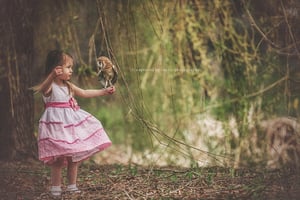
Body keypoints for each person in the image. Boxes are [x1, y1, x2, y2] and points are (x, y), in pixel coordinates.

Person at [32, 50, 115, 197]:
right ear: (56, 68)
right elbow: (43, 89)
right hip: (56, 127)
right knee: (58, 159)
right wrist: (52, 75)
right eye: (68, 67)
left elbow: (84, 92)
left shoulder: (68, 86)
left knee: (73, 158)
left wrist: (104, 91)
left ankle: (72, 186)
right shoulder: (50, 86)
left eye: (71, 67)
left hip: (70, 126)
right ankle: (55, 188)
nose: (71, 70)